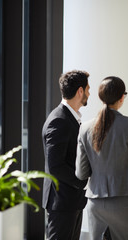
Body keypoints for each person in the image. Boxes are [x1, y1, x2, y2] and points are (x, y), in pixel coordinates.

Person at [75, 76, 128, 240]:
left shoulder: (85, 128)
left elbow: (81, 173)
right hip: (125, 200)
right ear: (122, 97)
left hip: (96, 202)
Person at [42, 70, 90, 240]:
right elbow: (56, 165)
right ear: (80, 91)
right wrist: (82, 182)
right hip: (62, 202)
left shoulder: (69, 117)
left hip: (71, 200)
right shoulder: (59, 120)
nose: (89, 93)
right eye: (88, 89)